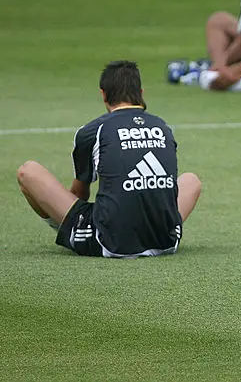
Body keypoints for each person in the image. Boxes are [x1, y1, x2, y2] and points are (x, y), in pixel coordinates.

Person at [16, 61, 201, 258]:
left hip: (112, 242)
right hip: (166, 239)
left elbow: (80, 194)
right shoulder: (163, 127)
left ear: (103, 94)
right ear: (141, 92)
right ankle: (158, 231)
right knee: (191, 180)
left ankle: (69, 233)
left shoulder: (92, 131)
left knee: (28, 171)